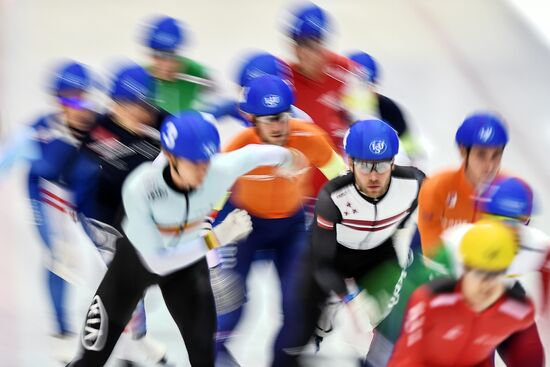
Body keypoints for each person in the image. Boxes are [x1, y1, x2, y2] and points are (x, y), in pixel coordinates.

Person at [68, 110, 306, 367]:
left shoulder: (219, 169)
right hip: (134, 266)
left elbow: (257, 153)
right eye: (194, 162)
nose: (204, 170)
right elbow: (157, 264)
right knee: (90, 360)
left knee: (204, 357)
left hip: (187, 270)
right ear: (170, 157)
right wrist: (216, 239)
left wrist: (288, 158)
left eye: (208, 160)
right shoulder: (141, 188)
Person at [212, 75, 346, 366]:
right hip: (246, 228)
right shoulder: (238, 147)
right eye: (269, 120)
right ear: (252, 119)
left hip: (291, 229)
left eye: (282, 117)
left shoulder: (309, 137)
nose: (278, 127)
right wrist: (210, 237)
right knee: (230, 306)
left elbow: (344, 181)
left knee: (297, 304)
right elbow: (213, 201)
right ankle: (216, 356)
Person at [271, 119, 425, 367]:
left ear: (394, 162)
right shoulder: (333, 196)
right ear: (349, 162)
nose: (374, 176)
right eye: (364, 165)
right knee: (298, 329)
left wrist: (415, 254)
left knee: (399, 322)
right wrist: (351, 299)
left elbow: (436, 207)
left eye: (382, 165)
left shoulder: (414, 184)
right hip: (329, 256)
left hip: (376, 254)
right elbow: (322, 265)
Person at [81, 62, 173, 365]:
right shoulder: (95, 130)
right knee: (118, 285)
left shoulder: (163, 127)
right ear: (113, 103)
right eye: (127, 105)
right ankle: (126, 344)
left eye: (143, 105)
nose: (137, 113)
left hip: (144, 221)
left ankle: (134, 337)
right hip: (101, 222)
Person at [388, 220, 540, 367]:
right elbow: (405, 360)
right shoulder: (431, 301)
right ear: (464, 270)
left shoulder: (519, 310)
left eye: (497, 273)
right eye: (481, 272)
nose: (488, 284)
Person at [432, 176, 548, 366]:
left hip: (504, 298)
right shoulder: (456, 243)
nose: (512, 232)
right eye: (503, 223)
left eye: (521, 222)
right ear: (484, 219)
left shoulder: (534, 244)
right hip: (462, 310)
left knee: (531, 358)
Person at [284, 2, 356, 198]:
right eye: (300, 45)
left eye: (313, 46)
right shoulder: (282, 77)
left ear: (324, 45)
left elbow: (367, 123)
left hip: (337, 189)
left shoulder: (348, 72)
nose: (305, 54)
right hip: (294, 193)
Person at [418, 111, 509, 257]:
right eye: (481, 154)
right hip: (443, 265)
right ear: (463, 151)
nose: (490, 165)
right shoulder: (436, 188)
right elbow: (430, 247)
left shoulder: (512, 193)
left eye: (496, 155)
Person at [345, 50, 424, 163]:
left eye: (365, 87)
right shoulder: (332, 108)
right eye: (352, 87)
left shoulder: (390, 110)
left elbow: (413, 155)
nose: (358, 95)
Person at [143, 15, 213, 114]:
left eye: (172, 56)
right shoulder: (142, 77)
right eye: (159, 56)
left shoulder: (199, 74)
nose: (167, 64)